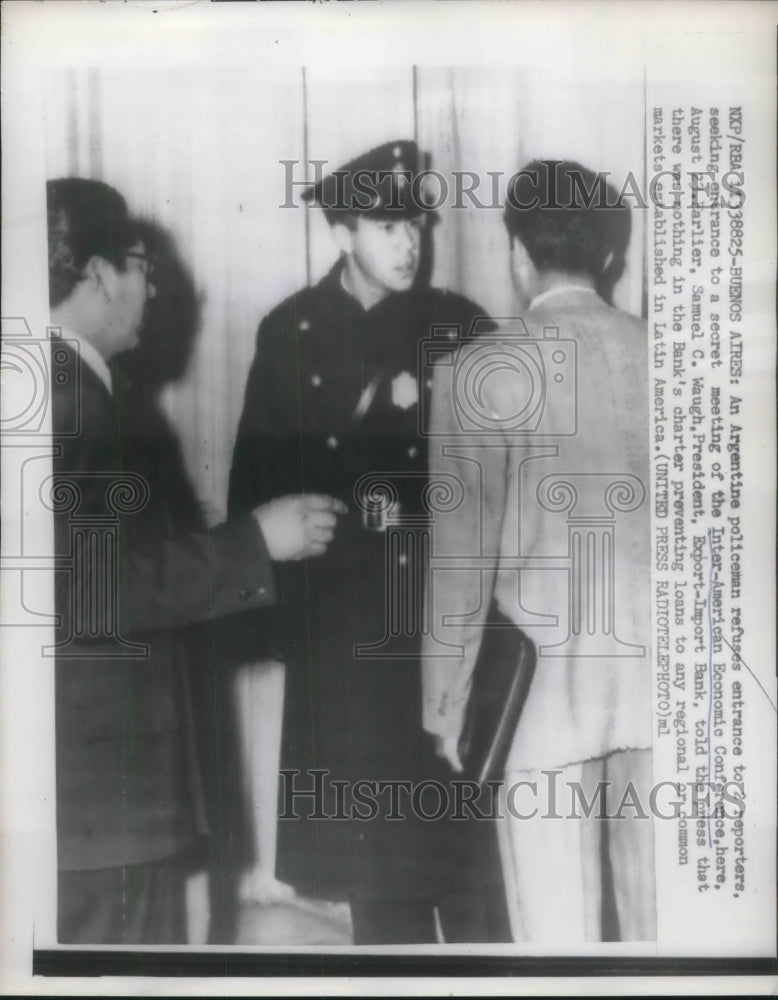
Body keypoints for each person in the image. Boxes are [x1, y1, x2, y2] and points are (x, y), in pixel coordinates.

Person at [47, 177, 345, 944]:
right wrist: (257, 543)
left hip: (88, 796)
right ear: (99, 274)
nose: (154, 286)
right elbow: (82, 588)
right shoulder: (71, 398)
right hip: (100, 803)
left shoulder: (71, 389)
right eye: (142, 264)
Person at [228, 140, 510, 944]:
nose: (409, 241)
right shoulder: (290, 331)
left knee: (468, 865)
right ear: (344, 230)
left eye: (415, 222)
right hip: (344, 637)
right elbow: (255, 485)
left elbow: (505, 478)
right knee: (375, 876)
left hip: (439, 631)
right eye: (388, 225)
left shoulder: (457, 323)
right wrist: (277, 626)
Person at [423, 160, 656, 942]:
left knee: (557, 943)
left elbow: (459, 562)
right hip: (668, 699)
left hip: (540, 704)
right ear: (611, 258)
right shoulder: (676, 359)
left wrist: (448, 706)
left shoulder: (478, 371)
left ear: (518, 253)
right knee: (672, 937)